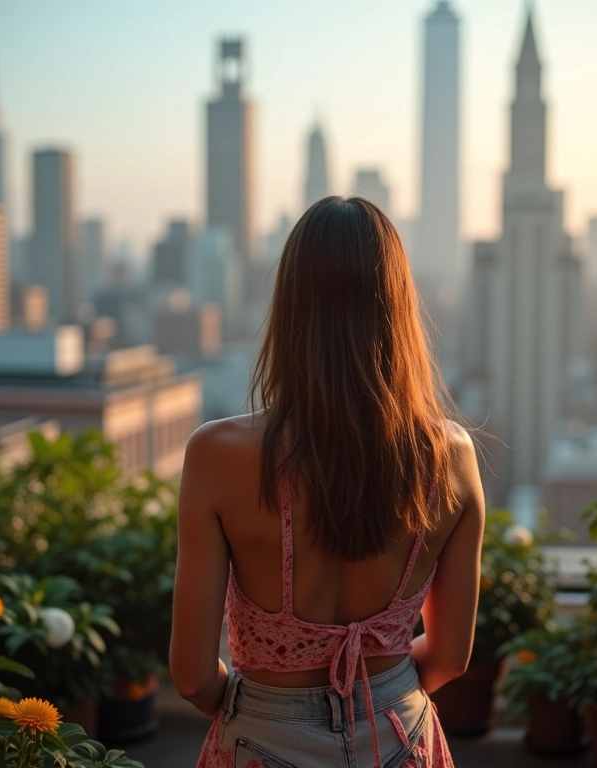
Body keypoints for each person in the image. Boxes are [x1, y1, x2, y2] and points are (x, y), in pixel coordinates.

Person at [170, 196, 485, 767]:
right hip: (399, 735)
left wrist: (251, 708)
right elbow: (450, 658)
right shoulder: (451, 458)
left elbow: (192, 676)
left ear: (289, 308)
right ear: (397, 308)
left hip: (263, 737)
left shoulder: (216, 455)